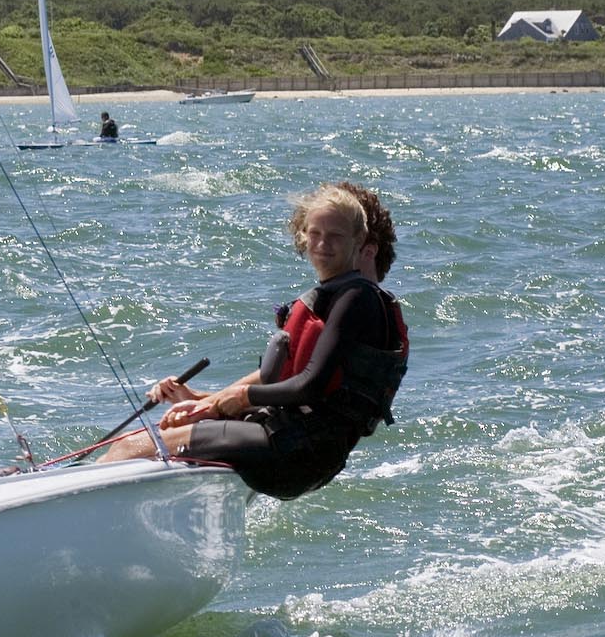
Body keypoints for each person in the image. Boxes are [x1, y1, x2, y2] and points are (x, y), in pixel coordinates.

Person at [101, 183, 409, 500]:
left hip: (297, 450)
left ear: (359, 242)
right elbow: (284, 384)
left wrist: (240, 398)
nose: (322, 244)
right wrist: (206, 402)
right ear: (303, 235)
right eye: (315, 233)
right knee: (144, 438)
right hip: (296, 445)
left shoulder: (355, 297)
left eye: (335, 236)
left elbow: (310, 386)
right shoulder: (337, 297)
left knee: (131, 447)